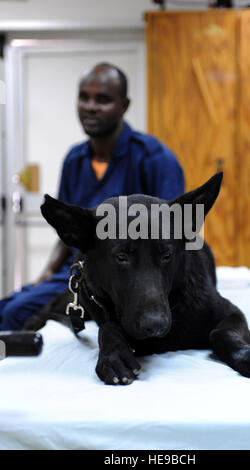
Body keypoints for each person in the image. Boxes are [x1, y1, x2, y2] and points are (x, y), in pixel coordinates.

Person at [0, 63, 185, 331]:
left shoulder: (155, 159)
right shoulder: (75, 159)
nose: (90, 106)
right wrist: (48, 272)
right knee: (5, 308)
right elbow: (68, 230)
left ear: (124, 105)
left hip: (119, 278)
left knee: (16, 313)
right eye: (84, 97)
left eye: (103, 99)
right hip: (75, 270)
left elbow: (176, 236)